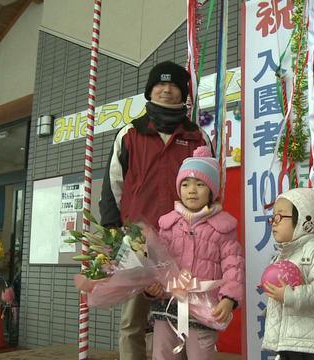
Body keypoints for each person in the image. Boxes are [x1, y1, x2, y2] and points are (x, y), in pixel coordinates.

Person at [99, 61, 212, 360]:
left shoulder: (198, 137)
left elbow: (211, 190)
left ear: (183, 93)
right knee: (132, 323)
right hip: (137, 243)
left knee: (184, 317)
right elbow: (112, 187)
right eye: (160, 85)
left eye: (174, 85)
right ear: (150, 90)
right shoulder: (129, 134)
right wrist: (113, 234)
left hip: (184, 242)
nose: (166, 90)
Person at [144, 146, 245, 359]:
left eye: (200, 184)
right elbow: (156, 261)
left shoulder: (223, 227)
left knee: (201, 354)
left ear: (211, 190)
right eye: (186, 184)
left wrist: (228, 298)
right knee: (163, 354)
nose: (192, 190)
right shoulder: (168, 224)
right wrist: (151, 285)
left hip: (203, 307)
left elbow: (233, 265)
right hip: (168, 304)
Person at [261, 187, 314, 360]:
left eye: (280, 216)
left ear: (303, 220)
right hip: (289, 343)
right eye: (273, 217)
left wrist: (290, 296)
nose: (274, 222)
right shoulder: (282, 255)